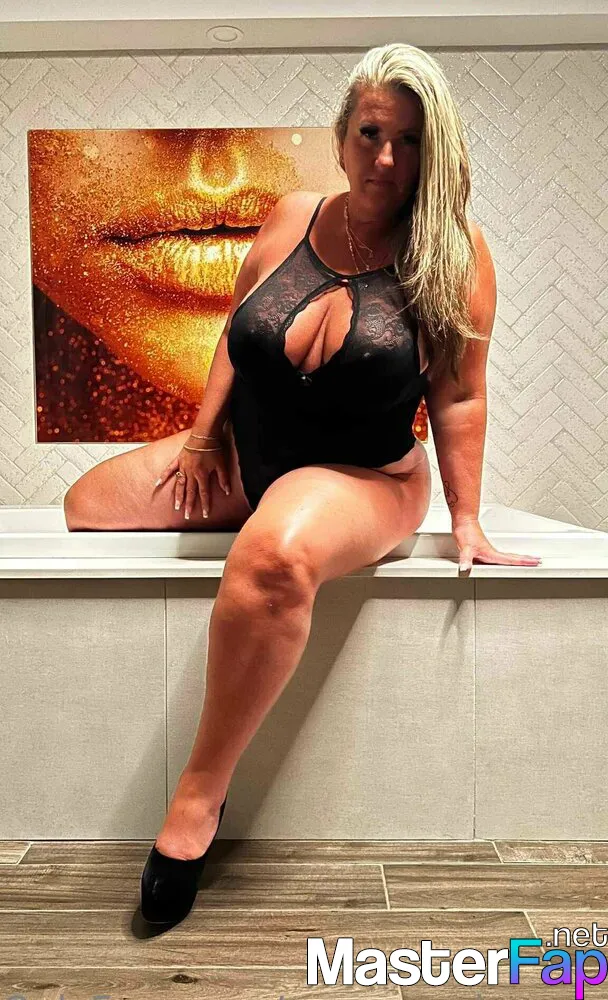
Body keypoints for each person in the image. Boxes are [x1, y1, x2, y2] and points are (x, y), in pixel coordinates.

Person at [62, 42, 542, 928]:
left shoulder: (457, 253)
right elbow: (234, 332)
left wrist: (468, 518)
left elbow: (460, 396)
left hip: (368, 474)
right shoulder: (291, 216)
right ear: (343, 134)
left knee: (275, 556)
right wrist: (203, 437)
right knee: (84, 505)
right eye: (371, 134)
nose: (386, 158)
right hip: (252, 457)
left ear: (435, 148)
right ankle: (251, 495)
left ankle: (197, 801)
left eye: (409, 140)